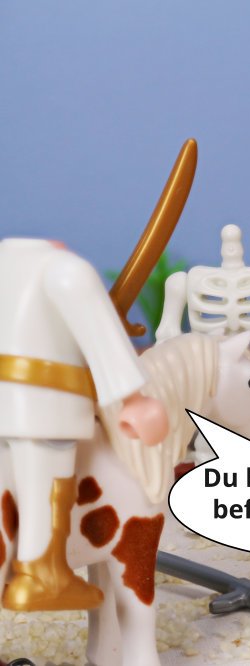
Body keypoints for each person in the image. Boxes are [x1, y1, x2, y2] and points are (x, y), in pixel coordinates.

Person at [0, 238, 168, 611]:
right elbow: (103, 339)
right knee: (47, 481)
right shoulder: (65, 270)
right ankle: (43, 575)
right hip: (43, 405)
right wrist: (134, 400)